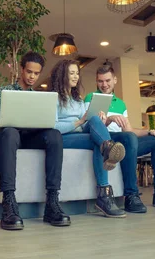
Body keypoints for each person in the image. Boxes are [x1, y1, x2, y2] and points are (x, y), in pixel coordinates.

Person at [0, 52, 70, 231]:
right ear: (21, 70)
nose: (32, 77)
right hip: (7, 137)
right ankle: (9, 204)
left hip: (28, 137)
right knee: (10, 132)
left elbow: (44, 123)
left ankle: (52, 203)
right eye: (29, 72)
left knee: (54, 134)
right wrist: (10, 125)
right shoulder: (2, 92)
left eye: (36, 74)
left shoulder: (38, 98)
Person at [84, 64, 155, 208]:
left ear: (115, 80)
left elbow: (129, 130)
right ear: (96, 81)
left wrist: (150, 131)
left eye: (107, 80)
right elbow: (91, 127)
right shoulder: (91, 98)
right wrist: (109, 120)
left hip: (126, 140)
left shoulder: (121, 104)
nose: (104, 84)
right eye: (100, 81)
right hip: (108, 140)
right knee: (129, 138)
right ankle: (131, 195)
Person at [51, 59, 136, 218]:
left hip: (81, 135)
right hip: (63, 138)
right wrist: (79, 121)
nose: (76, 77)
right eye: (72, 73)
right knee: (100, 141)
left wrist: (98, 119)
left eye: (77, 73)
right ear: (62, 74)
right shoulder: (53, 98)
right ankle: (104, 193)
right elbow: (53, 127)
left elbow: (86, 125)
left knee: (97, 126)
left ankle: (107, 148)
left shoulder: (78, 99)